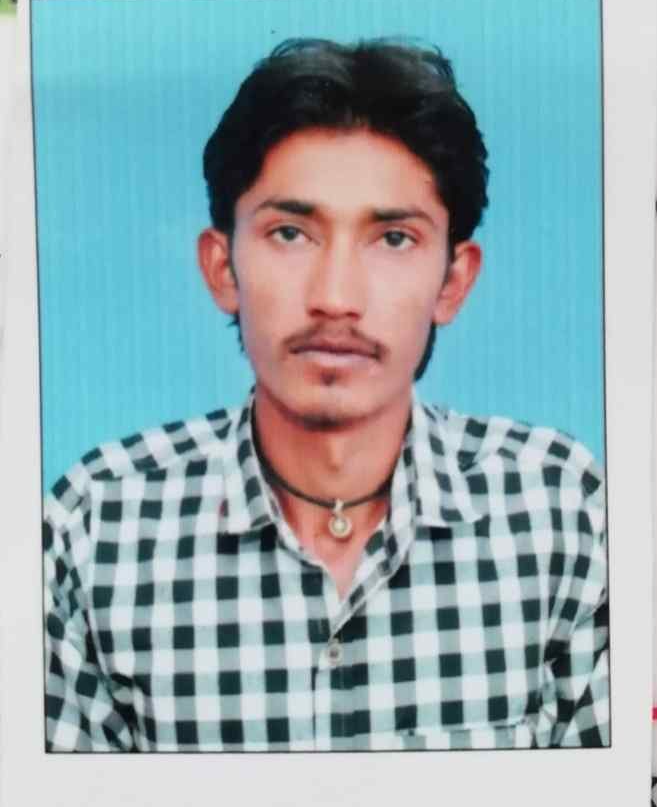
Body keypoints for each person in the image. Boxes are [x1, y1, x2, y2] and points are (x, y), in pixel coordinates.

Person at [44, 38, 609, 752]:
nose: (336, 297)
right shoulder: (95, 529)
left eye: (393, 239)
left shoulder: (562, 514)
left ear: (452, 281)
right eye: (290, 233)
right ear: (222, 268)